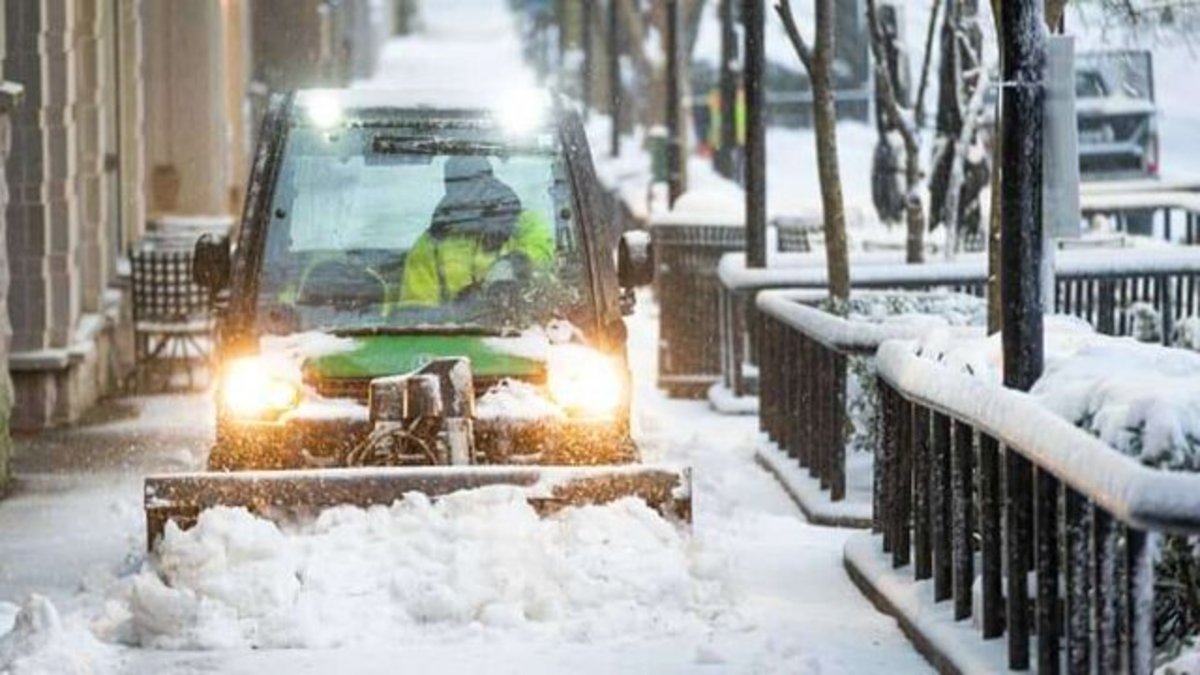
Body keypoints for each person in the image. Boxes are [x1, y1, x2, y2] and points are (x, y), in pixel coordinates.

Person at [398, 156, 554, 307]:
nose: (472, 190)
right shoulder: (430, 244)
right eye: (462, 183)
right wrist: (456, 312)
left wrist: (515, 264)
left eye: (478, 181)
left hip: (524, 327)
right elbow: (416, 311)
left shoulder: (520, 222)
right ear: (449, 186)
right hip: (456, 329)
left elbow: (545, 251)